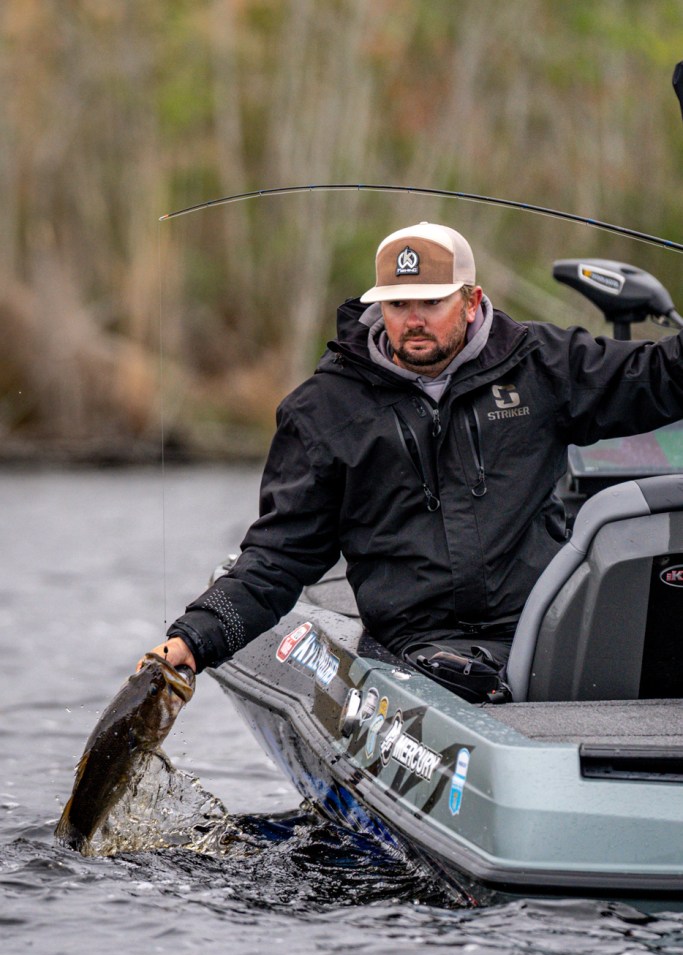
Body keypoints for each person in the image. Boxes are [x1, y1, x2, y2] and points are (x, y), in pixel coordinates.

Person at [149, 221, 683, 690]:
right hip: (418, 649)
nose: (413, 320)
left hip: (546, 622)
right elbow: (278, 557)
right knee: (453, 674)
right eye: (398, 304)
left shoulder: (543, 364)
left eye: (431, 302)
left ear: (470, 301)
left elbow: (662, 377)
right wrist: (195, 639)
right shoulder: (323, 410)